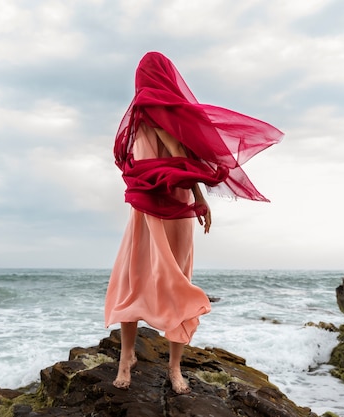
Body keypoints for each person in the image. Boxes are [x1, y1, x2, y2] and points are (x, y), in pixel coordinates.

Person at [104, 51, 284, 394]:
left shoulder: (146, 113)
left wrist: (198, 197)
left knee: (136, 278)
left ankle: (144, 361)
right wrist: (199, 197)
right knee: (164, 282)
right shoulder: (152, 111)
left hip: (159, 208)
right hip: (157, 208)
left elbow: (161, 159)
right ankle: (154, 364)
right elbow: (178, 157)